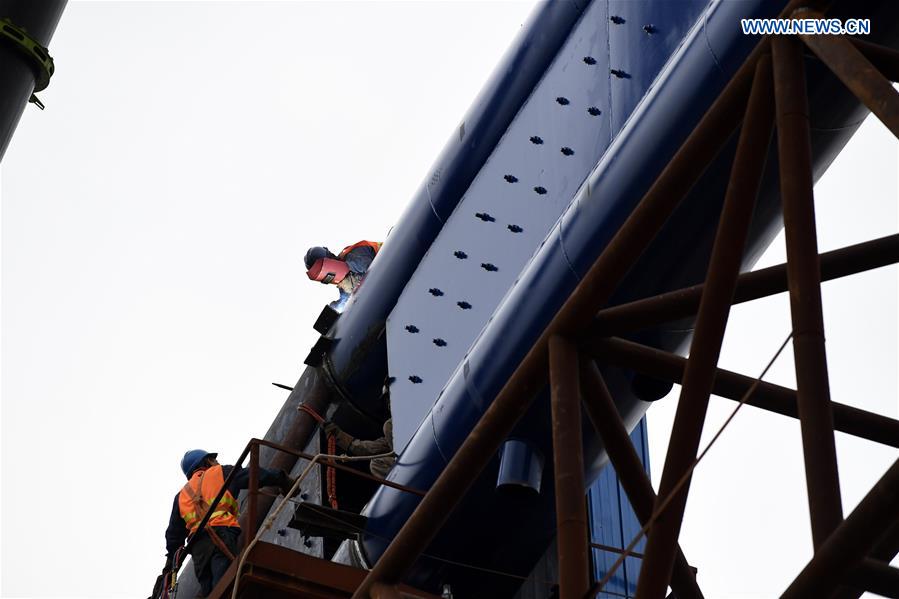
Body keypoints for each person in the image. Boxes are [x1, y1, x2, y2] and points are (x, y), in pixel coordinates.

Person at [160, 449, 295, 596]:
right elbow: (256, 475)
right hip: (221, 534)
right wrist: (282, 479)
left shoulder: (181, 496)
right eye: (214, 459)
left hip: (199, 549)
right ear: (207, 462)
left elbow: (174, 536)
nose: (217, 462)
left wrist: (170, 565)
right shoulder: (220, 472)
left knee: (210, 591)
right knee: (224, 584)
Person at [304, 240, 381, 310]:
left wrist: (354, 280)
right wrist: (336, 307)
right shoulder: (344, 280)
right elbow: (347, 299)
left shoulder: (354, 255)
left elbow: (370, 268)